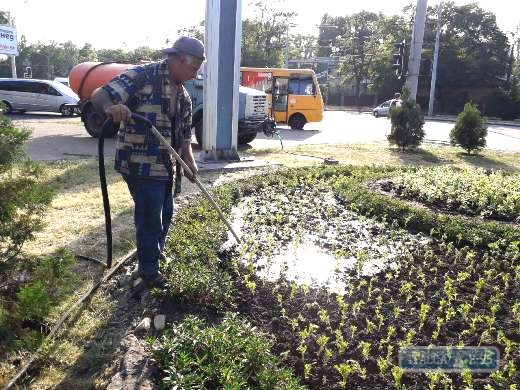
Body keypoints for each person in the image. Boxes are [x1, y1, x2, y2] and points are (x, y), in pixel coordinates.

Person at [91, 36, 205, 290]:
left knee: (166, 214)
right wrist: (112, 108)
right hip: (140, 164)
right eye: (193, 68)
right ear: (177, 59)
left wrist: (189, 162)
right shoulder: (142, 76)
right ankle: (148, 272)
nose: (194, 74)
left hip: (167, 167)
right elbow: (100, 96)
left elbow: (184, 136)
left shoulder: (184, 96)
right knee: (150, 216)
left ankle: (154, 254)